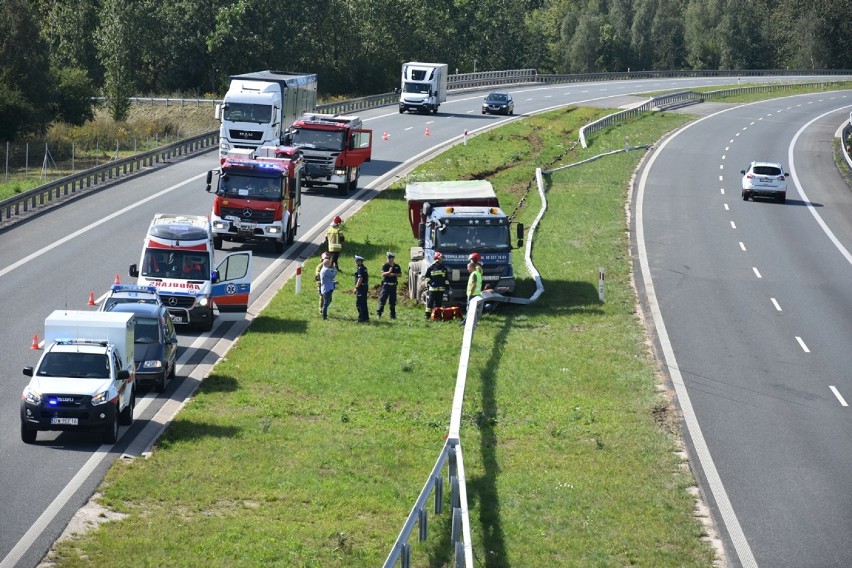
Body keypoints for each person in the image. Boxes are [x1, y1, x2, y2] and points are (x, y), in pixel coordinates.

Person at [423, 252, 449, 319]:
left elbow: (446, 279)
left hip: (441, 289)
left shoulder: (444, 268)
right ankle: (427, 315)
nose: (442, 259)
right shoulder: (431, 268)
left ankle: (438, 316)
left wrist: (447, 287)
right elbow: (426, 277)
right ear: (437, 258)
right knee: (430, 303)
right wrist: (431, 283)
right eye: (441, 258)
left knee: (439, 304)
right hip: (433, 289)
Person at [377, 252, 402, 319]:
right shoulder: (385, 265)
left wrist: (393, 274)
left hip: (393, 285)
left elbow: (400, 274)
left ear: (392, 258)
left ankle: (393, 316)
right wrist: (388, 272)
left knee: (393, 301)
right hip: (386, 285)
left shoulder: (397, 266)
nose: (388, 259)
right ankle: (379, 314)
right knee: (383, 299)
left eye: (389, 258)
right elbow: (382, 274)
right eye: (387, 258)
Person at [461, 257, 483, 324]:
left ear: (471, 267)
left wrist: (470, 293)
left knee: (469, 309)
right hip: (477, 293)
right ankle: (470, 321)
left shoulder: (474, 274)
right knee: (473, 309)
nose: (467, 269)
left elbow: (474, 284)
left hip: (472, 294)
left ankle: (466, 322)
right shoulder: (478, 273)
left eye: (468, 267)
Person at [319, 255, 337, 320]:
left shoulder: (323, 269)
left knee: (329, 301)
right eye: (329, 263)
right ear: (327, 264)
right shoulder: (326, 270)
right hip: (327, 289)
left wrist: (334, 282)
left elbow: (328, 279)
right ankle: (324, 316)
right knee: (326, 303)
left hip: (326, 288)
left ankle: (324, 311)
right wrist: (335, 269)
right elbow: (333, 275)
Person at [353, 255, 369, 322]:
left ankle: (361, 318)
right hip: (365, 287)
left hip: (361, 287)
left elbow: (360, 278)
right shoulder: (364, 268)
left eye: (356, 260)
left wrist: (356, 287)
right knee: (364, 302)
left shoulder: (360, 269)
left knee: (359, 303)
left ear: (360, 261)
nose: (355, 262)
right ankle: (366, 317)